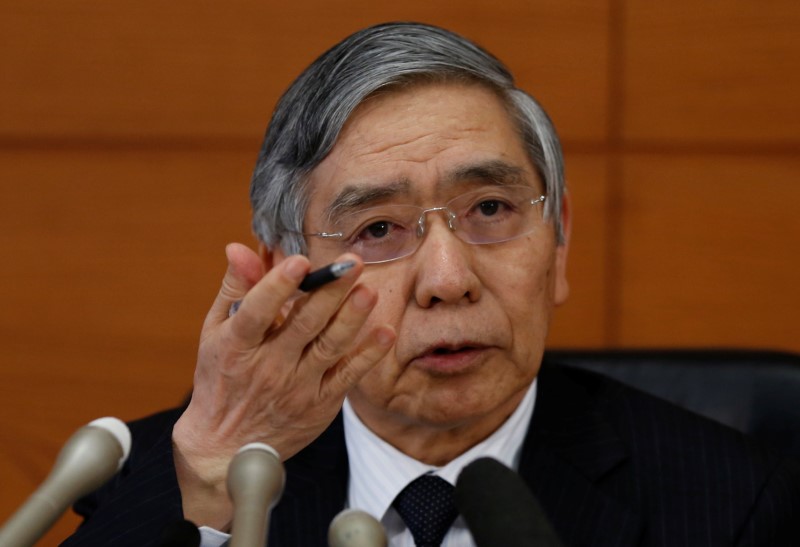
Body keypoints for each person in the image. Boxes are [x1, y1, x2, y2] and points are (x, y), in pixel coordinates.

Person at [62, 22, 799, 546]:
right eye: (378, 229)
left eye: (490, 209)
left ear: (561, 239)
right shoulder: (169, 479)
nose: (448, 281)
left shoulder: (731, 501)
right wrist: (211, 482)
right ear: (290, 279)